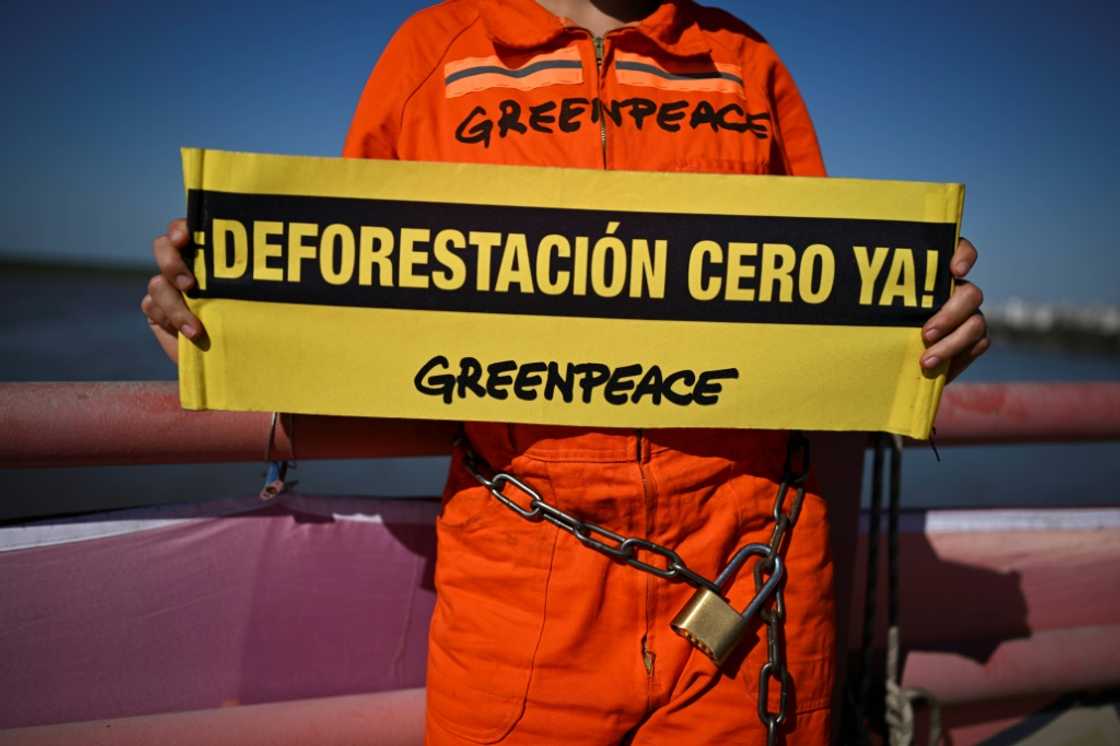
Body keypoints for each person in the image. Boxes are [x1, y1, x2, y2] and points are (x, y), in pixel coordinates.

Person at [142, 1, 989, 742]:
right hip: (515, 577)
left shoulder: (748, 63)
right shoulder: (430, 53)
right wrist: (225, 329)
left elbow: (825, 307)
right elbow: (345, 299)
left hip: (751, 562)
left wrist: (920, 338)